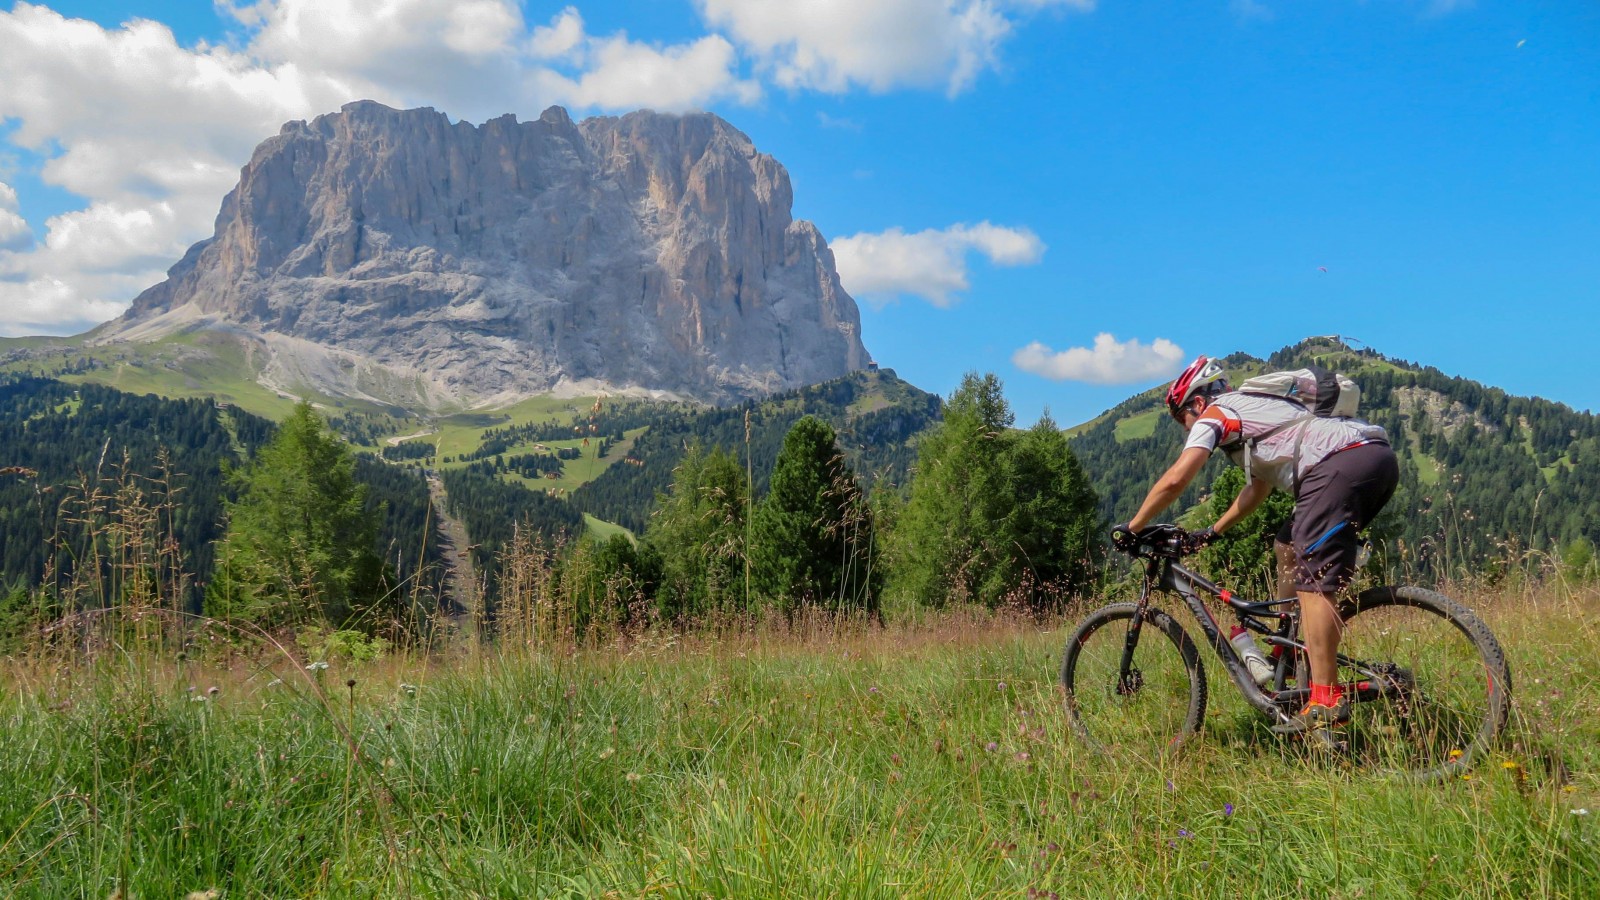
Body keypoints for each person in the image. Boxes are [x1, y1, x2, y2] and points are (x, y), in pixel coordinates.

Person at [1112, 356, 1398, 749]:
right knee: (1287, 546)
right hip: (1372, 458)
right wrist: (1211, 532)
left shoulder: (1216, 413)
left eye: (1183, 420)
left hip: (1337, 466)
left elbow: (1178, 477)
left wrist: (1134, 525)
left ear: (1195, 403)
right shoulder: (1254, 414)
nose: (1187, 429)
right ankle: (1288, 638)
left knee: (1313, 582)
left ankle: (1325, 701)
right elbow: (1257, 490)